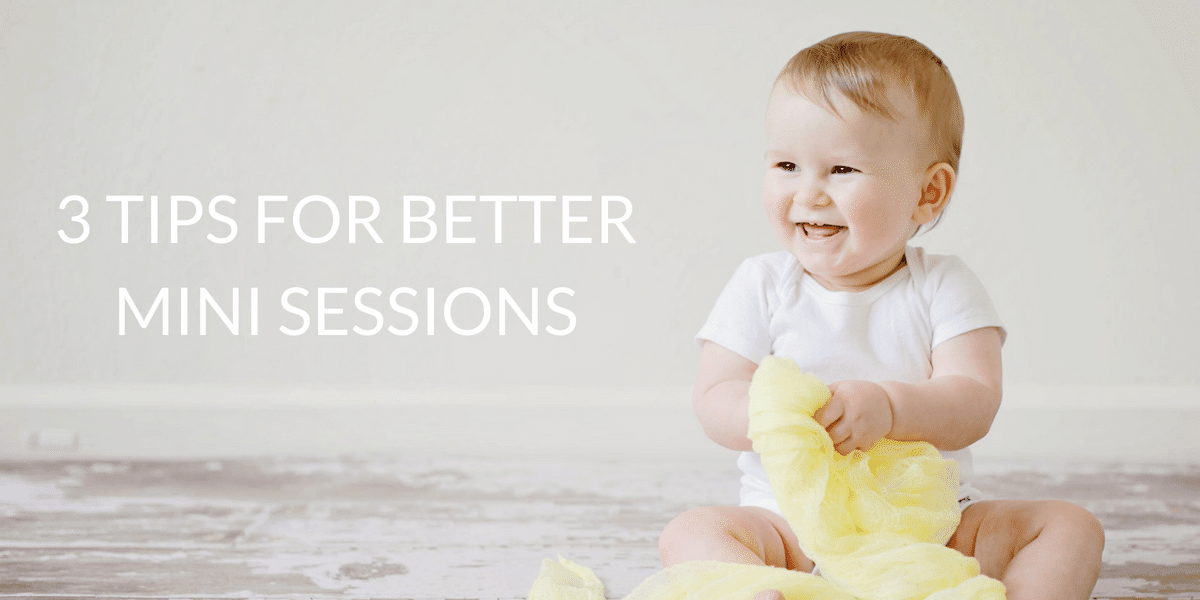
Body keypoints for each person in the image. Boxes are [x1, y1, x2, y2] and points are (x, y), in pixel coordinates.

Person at [658, 32, 1105, 600]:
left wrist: (889, 408)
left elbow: (974, 398)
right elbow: (714, 396)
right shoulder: (761, 283)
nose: (809, 192)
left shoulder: (943, 285)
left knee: (1070, 526)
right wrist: (781, 415)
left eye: (841, 170)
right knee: (690, 533)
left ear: (928, 192)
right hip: (793, 528)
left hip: (933, 529)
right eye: (788, 164)